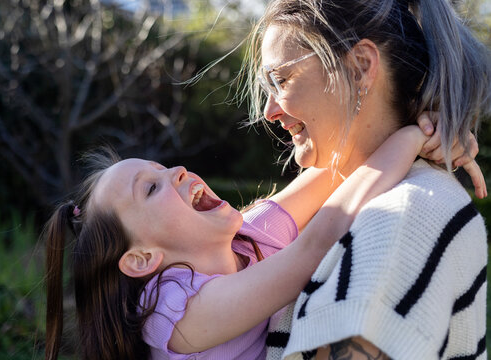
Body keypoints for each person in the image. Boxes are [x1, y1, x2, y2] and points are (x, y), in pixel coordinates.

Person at [43, 121, 455, 360]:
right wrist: (411, 138)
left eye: (163, 168)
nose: (179, 171)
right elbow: (313, 247)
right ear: (142, 259)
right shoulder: (175, 312)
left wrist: (435, 125)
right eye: (150, 189)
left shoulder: (248, 236)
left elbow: (336, 170)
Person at [240, 0, 491, 359]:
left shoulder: (400, 219)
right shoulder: (359, 196)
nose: (269, 111)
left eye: (281, 80)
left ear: (360, 67)